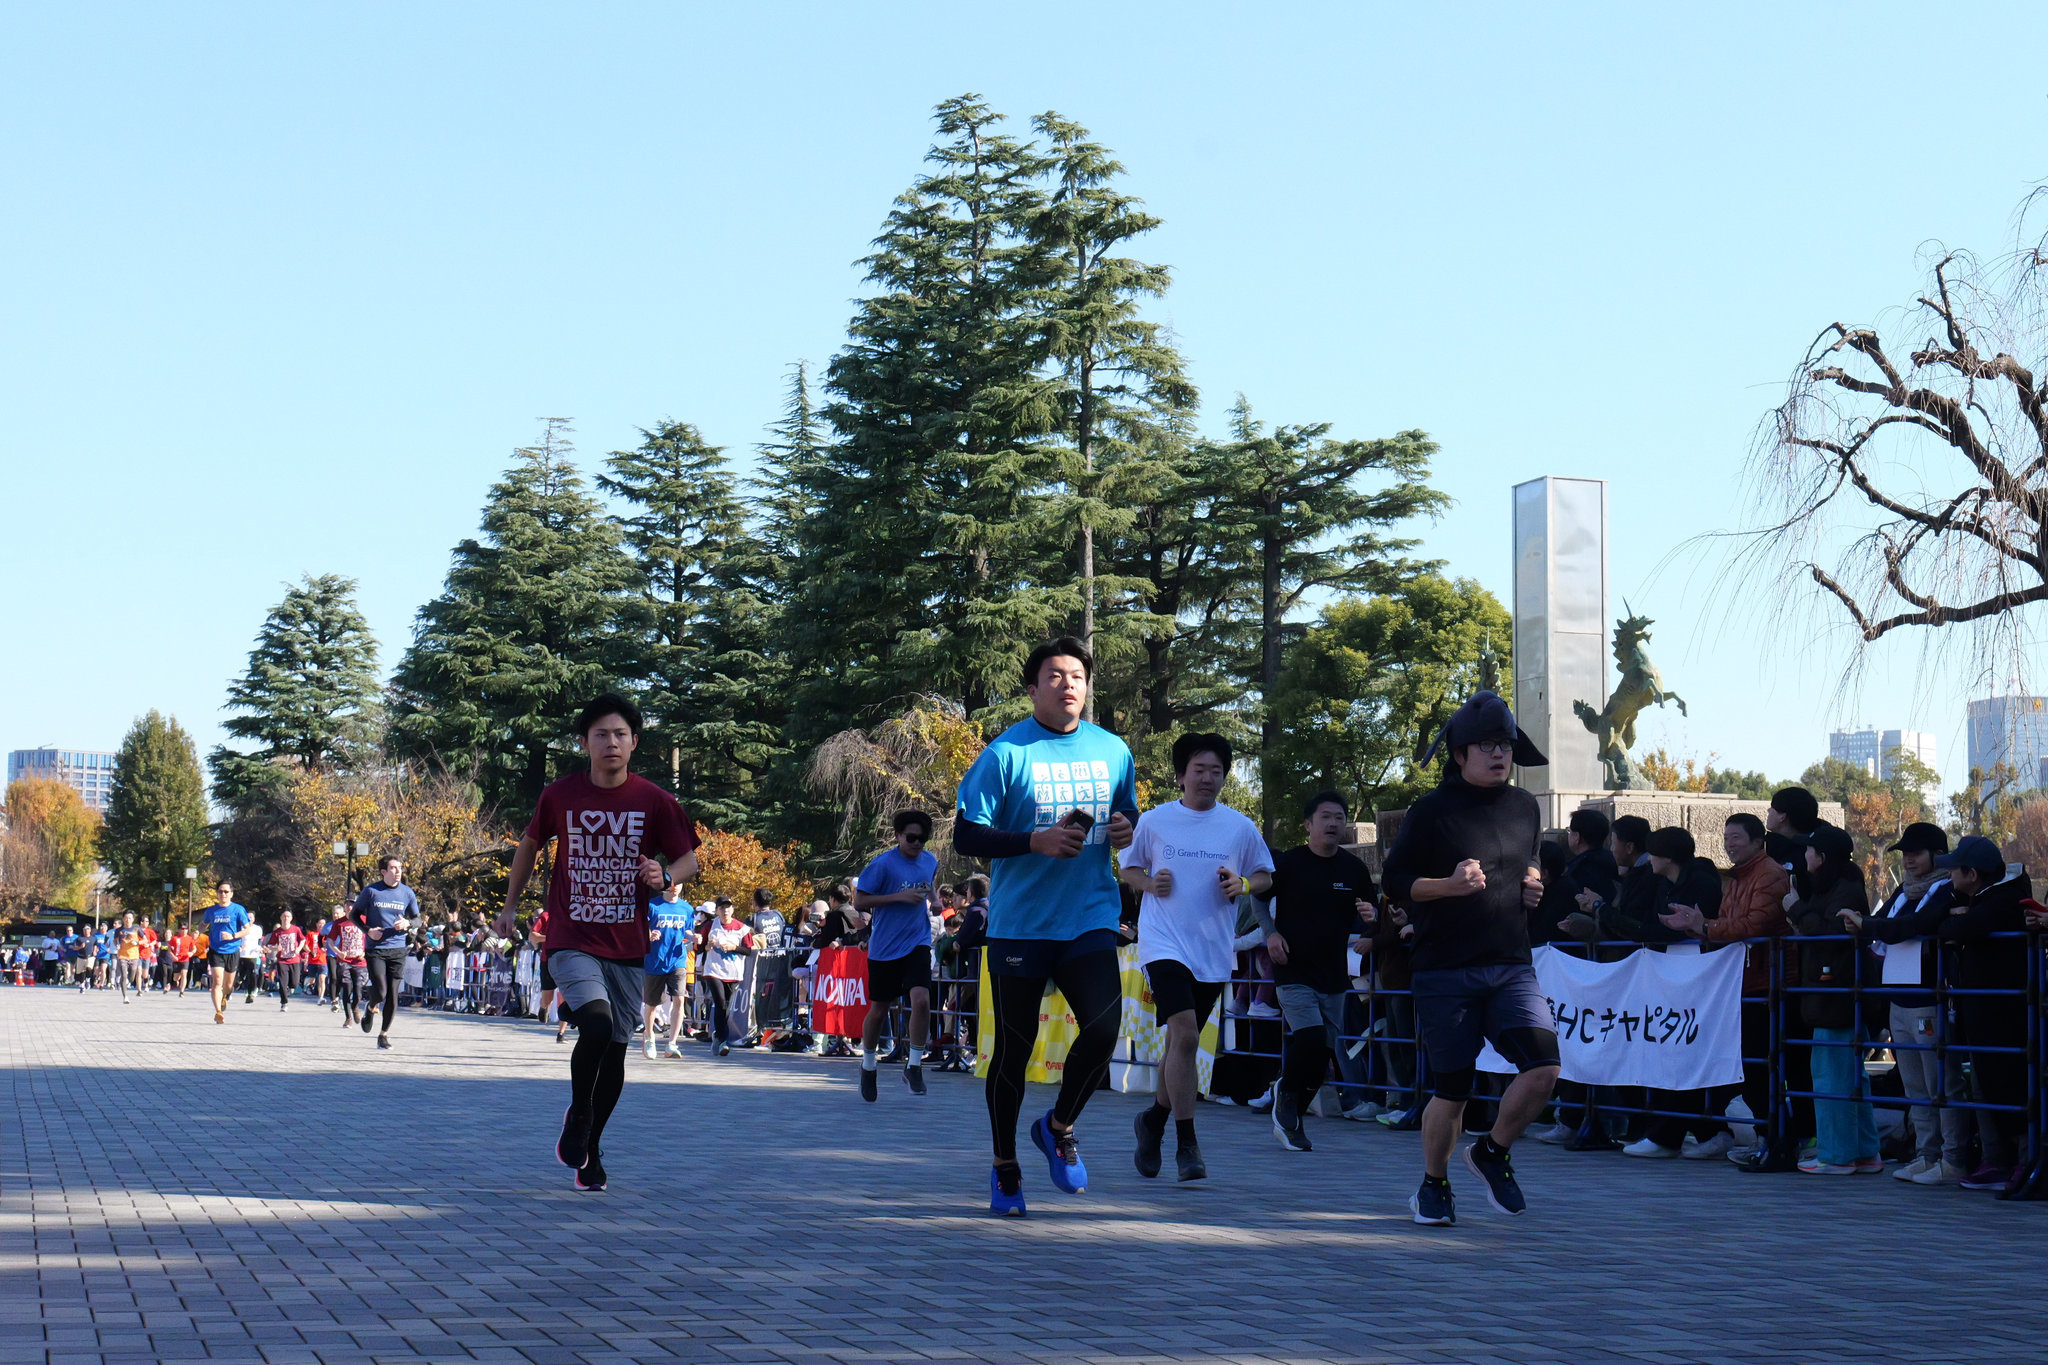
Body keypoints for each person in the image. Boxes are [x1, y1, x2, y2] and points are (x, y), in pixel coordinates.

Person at [954, 636, 1138, 1218]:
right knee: (1014, 1050)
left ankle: (1058, 1126)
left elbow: (1126, 812)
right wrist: (1034, 842)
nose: (1068, 685)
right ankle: (1005, 1166)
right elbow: (966, 834)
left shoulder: (1113, 750)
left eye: (1077, 676)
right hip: (1022, 925)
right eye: (1055, 676)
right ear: (1033, 688)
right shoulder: (1006, 753)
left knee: (1103, 1031)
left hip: (1090, 916)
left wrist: (1127, 827)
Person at [494, 693, 700, 1194]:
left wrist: (665, 873)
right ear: (584, 743)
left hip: (627, 944)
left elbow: (689, 860)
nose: (612, 742)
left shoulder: (654, 800)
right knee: (598, 1024)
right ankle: (579, 1111)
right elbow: (529, 845)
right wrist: (510, 906)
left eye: (620, 734)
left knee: (616, 1051)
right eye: (601, 734)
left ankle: (591, 1143)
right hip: (572, 938)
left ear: (634, 743)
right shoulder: (560, 795)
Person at [1380, 691, 1559, 1227]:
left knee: (1544, 1068)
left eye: (1504, 744)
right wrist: (1449, 885)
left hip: (1511, 964)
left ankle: (1491, 1151)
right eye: (1485, 745)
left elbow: (1530, 858)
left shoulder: (1525, 806)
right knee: (1453, 1090)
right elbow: (1394, 882)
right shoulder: (1431, 810)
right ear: (1459, 753)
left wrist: (1533, 882)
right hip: (1444, 969)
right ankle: (1433, 1184)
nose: (1498, 753)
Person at [1120, 732, 1273, 1179]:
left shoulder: (1240, 827)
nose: (1208, 778)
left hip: (1212, 947)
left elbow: (1265, 876)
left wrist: (1243, 884)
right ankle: (1187, 1144)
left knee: (1178, 1044)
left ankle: (1153, 1120)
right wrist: (1150, 884)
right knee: (1185, 1035)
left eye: (1216, 771)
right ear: (1181, 776)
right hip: (1164, 942)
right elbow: (1128, 867)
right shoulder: (1155, 821)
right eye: (1199, 770)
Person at [1249, 788, 1377, 1155]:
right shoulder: (1289, 864)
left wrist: (1372, 917)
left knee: (1322, 1053)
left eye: (1339, 817)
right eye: (1325, 817)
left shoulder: (1354, 869)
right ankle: (1286, 1097)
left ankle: (1291, 1112)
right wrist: (1271, 934)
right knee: (1309, 1038)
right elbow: (1257, 898)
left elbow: (1372, 913)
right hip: (1293, 969)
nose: (1333, 823)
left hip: (1334, 974)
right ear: (1308, 824)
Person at [1660, 812, 1792, 1168]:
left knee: (1763, 1065)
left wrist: (1703, 926)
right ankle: (1766, 1139)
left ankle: (1776, 1141)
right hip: (1742, 981)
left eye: (1736, 837)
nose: (1729, 844)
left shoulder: (1769, 875)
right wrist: (1695, 926)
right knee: (1750, 1066)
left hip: (1765, 982)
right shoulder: (1737, 877)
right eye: (1726, 836)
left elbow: (1753, 925)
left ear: (1758, 841)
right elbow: (1728, 924)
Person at [1838, 822, 1965, 1185]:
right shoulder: (1905, 889)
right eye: (1905, 853)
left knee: (1942, 1082)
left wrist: (1865, 925)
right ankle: (1926, 1155)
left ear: (1937, 855)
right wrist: (1865, 924)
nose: (1908, 860)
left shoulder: (1947, 888)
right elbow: (1886, 923)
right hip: (1899, 996)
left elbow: (1914, 925)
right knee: (1914, 1084)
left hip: (1929, 997)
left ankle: (1953, 1158)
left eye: (1916, 853)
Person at [1930, 834, 2033, 1193]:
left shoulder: (2001, 900)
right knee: (1986, 1084)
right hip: (1984, 1010)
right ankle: (1997, 1160)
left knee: (2011, 1085)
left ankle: (2024, 1160)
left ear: (1972, 874)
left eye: (1955, 870)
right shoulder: (1988, 898)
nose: (1950, 877)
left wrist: (1957, 920)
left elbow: (1960, 928)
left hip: (2003, 1012)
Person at [1617, 827, 1728, 1158]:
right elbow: (1658, 925)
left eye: (1653, 853)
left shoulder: (1702, 883)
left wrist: (1677, 928)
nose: (1649, 859)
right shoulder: (1664, 884)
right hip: (1671, 976)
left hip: (1698, 976)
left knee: (1686, 1051)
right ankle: (1698, 1131)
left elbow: (1680, 929)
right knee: (1670, 1051)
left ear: (1666, 856)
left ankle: (1676, 1134)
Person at [1785, 823, 1878, 1175]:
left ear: (1821, 857)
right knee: (1852, 1077)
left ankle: (1837, 1156)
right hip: (1837, 994)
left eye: (1809, 851)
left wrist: (1796, 909)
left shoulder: (1842, 890)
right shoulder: (1840, 885)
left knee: (1831, 1077)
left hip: (1835, 995)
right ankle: (1865, 1152)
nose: (1804, 857)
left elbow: (1828, 935)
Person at [852, 809, 943, 1100]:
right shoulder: (883, 865)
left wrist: (935, 901)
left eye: (922, 839)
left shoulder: (929, 860)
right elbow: (860, 901)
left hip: (918, 940)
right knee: (879, 1009)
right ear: (898, 836)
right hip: (885, 947)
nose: (917, 844)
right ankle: (868, 1066)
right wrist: (898, 897)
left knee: (922, 1000)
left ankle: (914, 1065)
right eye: (911, 838)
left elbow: (929, 884)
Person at [353, 856, 420, 1050]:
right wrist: (368, 931)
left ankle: (383, 1035)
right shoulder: (371, 891)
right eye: (393, 868)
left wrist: (407, 923)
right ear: (384, 872)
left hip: (398, 948)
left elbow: (417, 919)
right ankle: (370, 1007)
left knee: (392, 994)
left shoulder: (407, 893)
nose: (398, 871)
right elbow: (354, 915)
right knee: (381, 991)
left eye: (400, 867)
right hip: (376, 949)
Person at [643, 881, 694, 1059]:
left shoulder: (687, 908)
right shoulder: (652, 906)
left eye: (679, 883)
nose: (675, 887)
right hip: (655, 960)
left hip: (677, 960)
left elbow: (687, 930)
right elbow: (640, 928)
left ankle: (672, 1044)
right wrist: (649, 935)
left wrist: (694, 936)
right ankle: (649, 1037)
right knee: (652, 1005)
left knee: (679, 999)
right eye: (672, 883)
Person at [695, 897, 753, 1055]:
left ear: (732, 910)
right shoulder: (710, 926)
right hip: (713, 970)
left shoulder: (742, 928)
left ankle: (718, 1037)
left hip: (733, 972)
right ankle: (722, 1040)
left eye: (728, 907)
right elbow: (699, 947)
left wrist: (734, 947)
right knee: (720, 1002)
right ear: (717, 911)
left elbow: (748, 951)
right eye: (722, 908)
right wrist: (707, 946)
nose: (725, 911)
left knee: (725, 1006)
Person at [203, 882, 251, 1024]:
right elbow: (203, 924)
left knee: (229, 985)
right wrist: (198, 932)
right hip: (216, 950)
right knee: (217, 981)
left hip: (232, 950)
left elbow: (247, 929)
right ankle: (218, 1012)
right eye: (220, 891)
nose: (223, 894)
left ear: (231, 893)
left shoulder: (238, 909)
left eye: (226, 891)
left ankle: (225, 996)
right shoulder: (211, 910)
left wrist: (233, 936)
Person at [326, 905, 368, 1027]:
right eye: (347, 904)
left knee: (358, 990)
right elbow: (330, 941)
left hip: (359, 961)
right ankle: (348, 1017)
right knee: (347, 988)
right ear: (345, 907)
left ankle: (355, 1006)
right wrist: (338, 952)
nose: (350, 907)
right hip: (345, 961)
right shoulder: (339, 922)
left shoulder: (364, 920)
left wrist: (365, 952)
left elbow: (372, 937)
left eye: (352, 904)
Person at [268, 911, 307, 1011]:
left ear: (291, 918)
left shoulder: (296, 929)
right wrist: (276, 947)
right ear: (281, 918)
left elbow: (303, 940)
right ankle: (284, 1003)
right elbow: (269, 945)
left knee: (295, 983)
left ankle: (290, 987)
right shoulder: (277, 932)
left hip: (294, 959)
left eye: (288, 916)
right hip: (282, 960)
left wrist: (299, 948)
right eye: (284, 916)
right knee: (282, 983)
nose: (286, 918)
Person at [113, 912, 147, 1002]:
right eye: (126, 918)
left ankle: (128, 981)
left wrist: (137, 943)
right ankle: (125, 997)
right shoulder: (119, 930)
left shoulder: (136, 928)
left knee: (131, 977)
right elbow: (115, 941)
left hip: (134, 956)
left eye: (130, 918)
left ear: (133, 919)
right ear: (123, 919)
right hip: (122, 955)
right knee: (124, 975)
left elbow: (145, 940)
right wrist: (117, 945)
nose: (127, 920)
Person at [236, 913, 263, 1004]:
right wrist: (239, 947)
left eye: (251, 917)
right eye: (247, 917)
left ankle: (251, 993)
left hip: (253, 955)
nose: (249, 919)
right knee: (242, 974)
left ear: (254, 919)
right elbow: (237, 939)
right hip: (242, 955)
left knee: (252, 974)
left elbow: (260, 941)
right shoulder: (241, 928)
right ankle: (238, 983)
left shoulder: (257, 929)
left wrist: (260, 948)